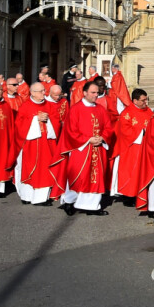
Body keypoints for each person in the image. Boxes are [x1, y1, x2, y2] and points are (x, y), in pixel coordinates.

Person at [51, 82, 114, 216]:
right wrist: (88, 139)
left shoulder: (101, 109)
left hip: (98, 148)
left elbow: (109, 127)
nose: (96, 95)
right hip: (81, 148)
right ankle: (69, 201)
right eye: (93, 92)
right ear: (85, 93)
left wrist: (102, 138)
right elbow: (70, 131)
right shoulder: (75, 109)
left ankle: (92, 206)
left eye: (97, 92)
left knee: (96, 177)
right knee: (79, 176)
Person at [14, 83, 61, 206]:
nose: (43, 93)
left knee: (44, 170)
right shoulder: (25, 106)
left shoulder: (49, 106)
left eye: (44, 90)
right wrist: (35, 119)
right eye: (40, 91)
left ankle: (40, 198)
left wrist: (48, 120)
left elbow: (57, 122)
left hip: (46, 144)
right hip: (31, 145)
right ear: (32, 93)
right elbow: (19, 125)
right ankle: (26, 196)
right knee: (29, 169)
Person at [110, 88, 153, 198]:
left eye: (146, 99)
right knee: (132, 172)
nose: (146, 102)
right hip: (131, 147)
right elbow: (124, 130)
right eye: (143, 100)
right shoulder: (127, 113)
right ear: (135, 101)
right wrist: (142, 131)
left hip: (146, 146)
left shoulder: (148, 111)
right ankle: (128, 195)